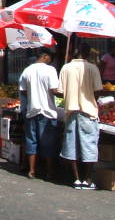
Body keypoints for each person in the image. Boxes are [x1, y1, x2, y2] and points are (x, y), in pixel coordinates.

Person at [58, 43, 104, 190]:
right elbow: (97, 91)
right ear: (89, 53)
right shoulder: (92, 68)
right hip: (88, 112)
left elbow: (60, 91)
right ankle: (88, 179)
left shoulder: (65, 68)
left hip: (71, 112)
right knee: (89, 145)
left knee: (72, 146)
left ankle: (77, 179)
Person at [19, 51, 59, 180]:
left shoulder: (27, 70)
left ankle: (31, 170)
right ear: (45, 56)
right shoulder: (50, 70)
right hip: (47, 111)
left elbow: (23, 90)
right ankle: (50, 171)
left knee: (31, 140)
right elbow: (54, 90)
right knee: (47, 141)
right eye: (50, 59)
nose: (50, 62)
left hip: (32, 110)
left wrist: (33, 96)